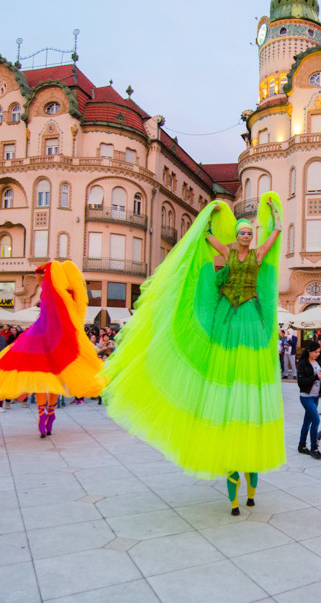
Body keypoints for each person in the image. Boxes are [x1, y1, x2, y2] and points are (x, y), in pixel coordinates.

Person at [104, 193, 285, 515]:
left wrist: (274, 217)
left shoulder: (258, 254)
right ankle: (236, 494)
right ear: (237, 236)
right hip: (227, 319)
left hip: (249, 319)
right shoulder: (228, 252)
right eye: (242, 232)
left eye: (248, 233)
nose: (245, 236)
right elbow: (207, 237)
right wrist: (211, 213)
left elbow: (276, 234)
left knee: (246, 370)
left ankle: (248, 490)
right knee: (227, 367)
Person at [0, 262, 106, 438]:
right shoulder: (70, 294)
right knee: (55, 380)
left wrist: (46, 266)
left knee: (39, 379)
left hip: (39, 336)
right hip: (60, 338)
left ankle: (41, 414)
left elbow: (38, 274)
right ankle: (51, 412)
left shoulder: (48, 290)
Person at [296, 340, 321, 459]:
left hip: (315, 396)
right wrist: (315, 377)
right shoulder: (303, 363)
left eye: (318, 352)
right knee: (316, 420)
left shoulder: (318, 362)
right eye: (315, 352)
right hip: (306, 396)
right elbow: (301, 381)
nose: (317, 354)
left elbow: (320, 376)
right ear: (309, 351)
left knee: (307, 421)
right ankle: (314, 447)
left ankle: (302, 445)